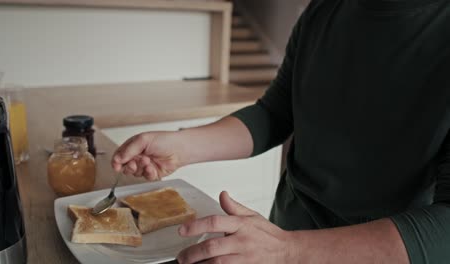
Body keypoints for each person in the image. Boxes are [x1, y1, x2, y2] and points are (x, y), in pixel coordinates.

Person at [112, 0, 450, 263]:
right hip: (285, 231)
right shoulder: (324, 10)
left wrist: (288, 251)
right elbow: (275, 112)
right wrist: (184, 145)